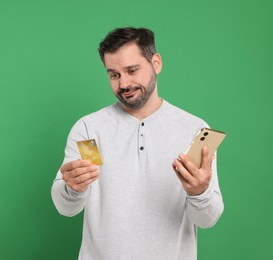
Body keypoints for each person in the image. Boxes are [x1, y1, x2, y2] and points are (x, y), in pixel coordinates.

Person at [51, 27, 224, 260]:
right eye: (114, 74)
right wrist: (73, 187)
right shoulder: (90, 131)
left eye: (132, 70)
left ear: (156, 63)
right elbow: (67, 209)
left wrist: (199, 193)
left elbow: (207, 219)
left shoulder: (193, 130)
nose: (124, 83)